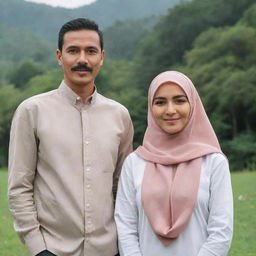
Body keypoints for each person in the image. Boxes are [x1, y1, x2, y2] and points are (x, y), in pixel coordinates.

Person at [8, 18, 133, 256]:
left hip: (109, 249)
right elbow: (19, 187)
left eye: (91, 51)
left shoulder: (120, 115)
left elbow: (121, 188)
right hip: (53, 250)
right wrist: (38, 248)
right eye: (73, 51)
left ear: (102, 57)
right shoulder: (32, 111)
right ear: (59, 56)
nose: (82, 59)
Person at [115, 71, 233, 256]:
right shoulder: (135, 163)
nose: (170, 110)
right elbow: (126, 227)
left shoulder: (213, 162)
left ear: (193, 104)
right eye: (160, 102)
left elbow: (221, 231)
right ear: (151, 107)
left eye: (179, 100)